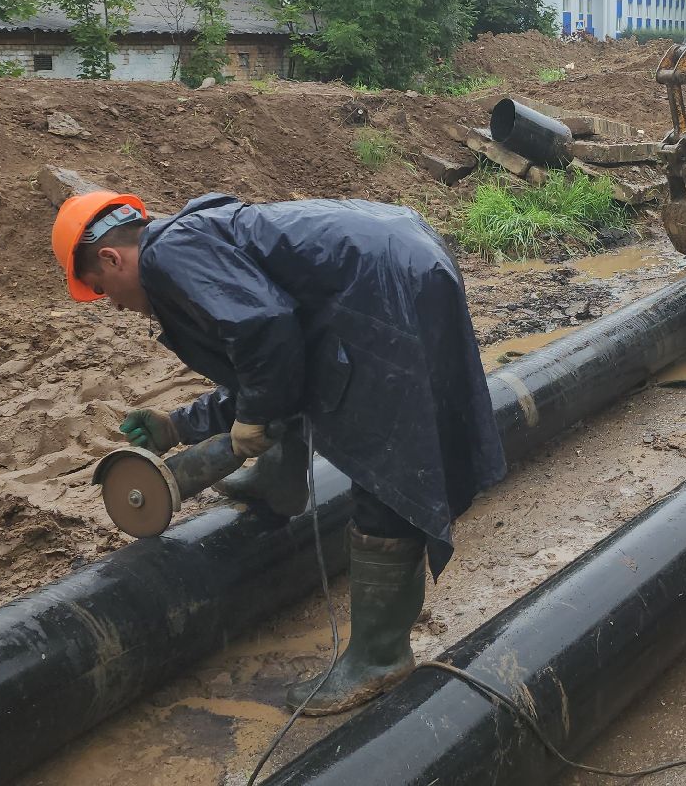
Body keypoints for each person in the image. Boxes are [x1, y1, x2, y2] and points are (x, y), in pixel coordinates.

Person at [50, 190, 505, 716]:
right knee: (302, 392)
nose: (114, 304)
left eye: (103, 289)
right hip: (398, 254)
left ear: (112, 258)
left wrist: (255, 415)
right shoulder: (189, 241)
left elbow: (266, 330)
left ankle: (381, 655)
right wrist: (177, 426)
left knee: (386, 459)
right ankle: (279, 482)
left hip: (386, 283)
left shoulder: (168, 257)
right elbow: (268, 358)